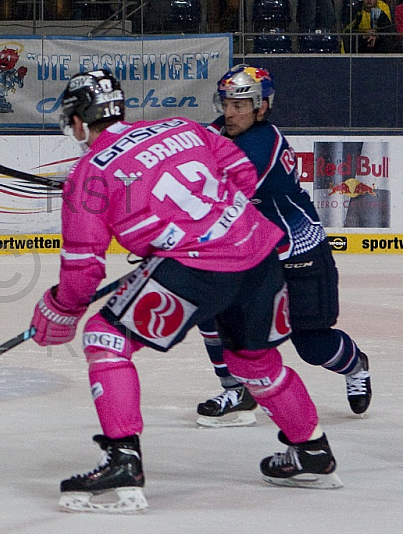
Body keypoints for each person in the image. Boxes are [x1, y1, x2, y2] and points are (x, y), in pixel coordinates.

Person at [30, 69, 342, 514]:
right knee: (254, 361)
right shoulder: (181, 126)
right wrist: (213, 222)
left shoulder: (89, 174)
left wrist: (60, 309)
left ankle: (123, 461)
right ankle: (312, 452)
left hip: (198, 269)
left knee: (106, 336)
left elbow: (83, 271)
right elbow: (239, 170)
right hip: (258, 252)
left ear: (79, 122)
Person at [195, 65, 372, 428]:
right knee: (209, 311)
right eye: (227, 103)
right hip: (251, 254)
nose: (229, 112)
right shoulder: (217, 130)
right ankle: (237, 389)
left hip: (298, 251)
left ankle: (356, 364)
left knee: (313, 345)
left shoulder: (263, 144)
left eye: (240, 105)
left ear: (262, 107)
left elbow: (216, 193)